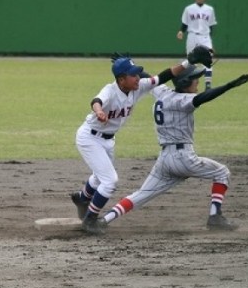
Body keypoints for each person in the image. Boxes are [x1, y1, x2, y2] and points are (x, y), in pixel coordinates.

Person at [83, 64, 248, 235]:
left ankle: (104, 220)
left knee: (142, 194)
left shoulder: (162, 92)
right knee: (222, 173)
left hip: (164, 160)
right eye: (195, 78)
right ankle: (215, 217)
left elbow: (152, 79)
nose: (197, 82)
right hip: (184, 158)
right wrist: (228, 86)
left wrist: (131, 66)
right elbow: (204, 97)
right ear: (185, 82)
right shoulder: (183, 101)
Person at [71, 47, 214, 234]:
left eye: (138, 73)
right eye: (133, 75)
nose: (138, 77)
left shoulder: (138, 87)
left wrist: (188, 63)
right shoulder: (110, 91)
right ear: (121, 79)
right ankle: (90, 220)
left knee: (99, 177)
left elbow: (163, 76)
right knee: (110, 180)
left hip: (107, 140)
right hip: (89, 138)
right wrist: (99, 112)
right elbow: (96, 100)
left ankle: (82, 198)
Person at [177, 0, 217, 90]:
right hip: (192, 36)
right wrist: (181, 31)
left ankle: (208, 86)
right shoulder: (188, 9)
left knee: (208, 60)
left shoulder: (210, 9)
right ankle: (189, 84)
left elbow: (211, 26)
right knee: (190, 61)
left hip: (205, 37)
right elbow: (185, 23)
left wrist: (211, 43)